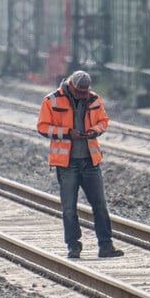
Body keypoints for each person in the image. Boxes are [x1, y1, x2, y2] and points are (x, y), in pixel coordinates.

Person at [37, 70, 124, 259]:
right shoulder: (51, 100)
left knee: (100, 205)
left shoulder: (93, 99)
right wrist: (67, 133)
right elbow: (43, 126)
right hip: (66, 163)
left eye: (85, 92)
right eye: (79, 92)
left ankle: (106, 246)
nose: (82, 96)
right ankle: (73, 246)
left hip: (90, 162)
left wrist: (95, 131)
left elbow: (103, 121)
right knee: (69, 207)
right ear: (70, 86)